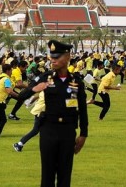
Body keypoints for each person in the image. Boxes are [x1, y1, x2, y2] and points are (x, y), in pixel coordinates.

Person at [33, 40, 88, 187]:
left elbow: (82, 109)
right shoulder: (46, 77)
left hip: (68, 131)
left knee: (65, 175)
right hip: (48, 129)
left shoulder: (76, 81)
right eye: (52, 57)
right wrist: (33, 89)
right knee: (47, 175)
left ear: (68, 57)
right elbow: (24, 94)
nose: (53, 60)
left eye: (57, 57)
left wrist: (84, 134)